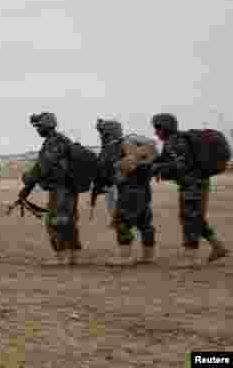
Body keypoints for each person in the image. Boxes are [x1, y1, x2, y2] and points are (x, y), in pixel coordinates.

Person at [151, 113, 228, 267]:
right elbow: (168, 162)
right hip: (194, 184)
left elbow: (181, 166)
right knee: (195, 217)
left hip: (193, 185)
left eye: (157, 128)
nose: (155, 132)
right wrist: (154, 165)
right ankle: (218, 247)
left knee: (190, 218)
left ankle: (190, 258)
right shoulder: (173, 142)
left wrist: (159, 168)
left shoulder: (176, 143)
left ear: (165, 128)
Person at [15, 112, 82, 266]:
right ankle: (73, 256)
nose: (37, 129)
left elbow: (43, 167)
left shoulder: (54, 142)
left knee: (55, 221)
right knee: (68, 221)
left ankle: (61, 257)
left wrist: (27, 179)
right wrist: (28, 189)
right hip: (68, 189)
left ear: (46, 125)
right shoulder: (61, 140)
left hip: (60, 189)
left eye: (39, 126)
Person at [90, 119, 156, 265]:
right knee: (144, 223)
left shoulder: (112, 148)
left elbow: (106, 172)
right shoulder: (133, 145)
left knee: (121, 222)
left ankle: (125, 257)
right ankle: (148, 255)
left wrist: (99, 185)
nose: (101, 135)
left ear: (107, 133)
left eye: (102, 132)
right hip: (144, 191)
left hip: (127, 192)